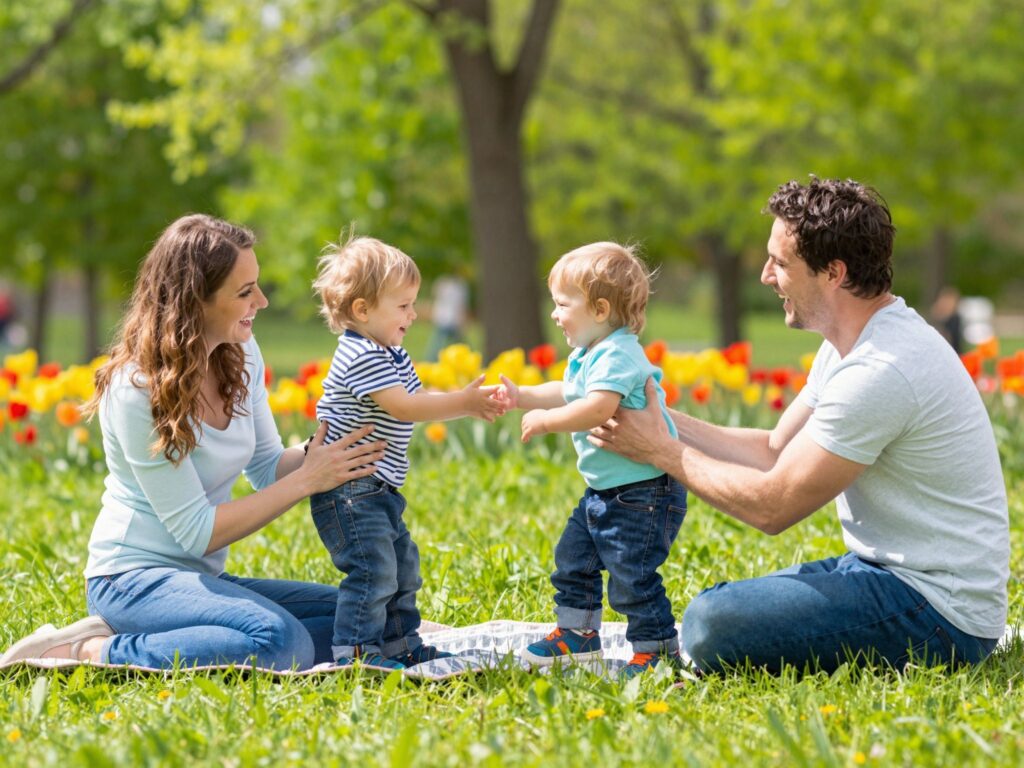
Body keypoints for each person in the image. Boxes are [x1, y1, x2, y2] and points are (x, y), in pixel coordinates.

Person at [589, 178, 1009, 675]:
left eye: (780, 263)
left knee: (708, 623)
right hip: (883, 573)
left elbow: (773, 506)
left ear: (833, 272)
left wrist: (661, 450)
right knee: (722, 611)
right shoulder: (848, 342)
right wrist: (655, 416)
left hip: (941, 615)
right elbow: (771, 449)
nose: (766, 275)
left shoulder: (883, 368)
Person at [0, 214, 386, 670]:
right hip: (131, 581)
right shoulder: (135, 389)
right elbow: (197, 533)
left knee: (368, 620)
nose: (260, 301)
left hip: (197, 579)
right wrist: (308, 481)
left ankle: (199, 635)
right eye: (245, 292)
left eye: (256, 286)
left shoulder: (241, 351)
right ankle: (89, 650)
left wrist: (331, 445)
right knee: (280, 642)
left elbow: (265, 466)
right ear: (195, 301)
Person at [309, 233, 503, 669]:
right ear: (362, 310)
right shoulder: (360, 354)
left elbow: (416, 394)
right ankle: (357, 654)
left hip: (377, 490)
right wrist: (464, 403)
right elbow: (406, 406)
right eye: (403, 305)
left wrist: (457, 396)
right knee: (372, 572)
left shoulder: (390, 353)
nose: (414, 315)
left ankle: (400, 645)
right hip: (350, 491)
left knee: (401, 569)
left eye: (414, 304)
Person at [496, 242, 688, 678]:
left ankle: (659, 654)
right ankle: (578, 634)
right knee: (574, 557)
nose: (554, 314)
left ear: (600, 309)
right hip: (607, 492)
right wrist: (522, 397)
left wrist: (546, 422)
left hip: (645, 494)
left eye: (563, 304)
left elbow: (597, 407)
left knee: (632, 577)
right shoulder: (590, 353)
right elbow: (568, 390)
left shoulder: (619, 353)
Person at [426, 271, 470, 360]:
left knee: (439, 343)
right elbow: (461, 306)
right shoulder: (460, 287)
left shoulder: (444, 284)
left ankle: (432, 359)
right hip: (450, 319)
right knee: (455, 343)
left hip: (446, 319)